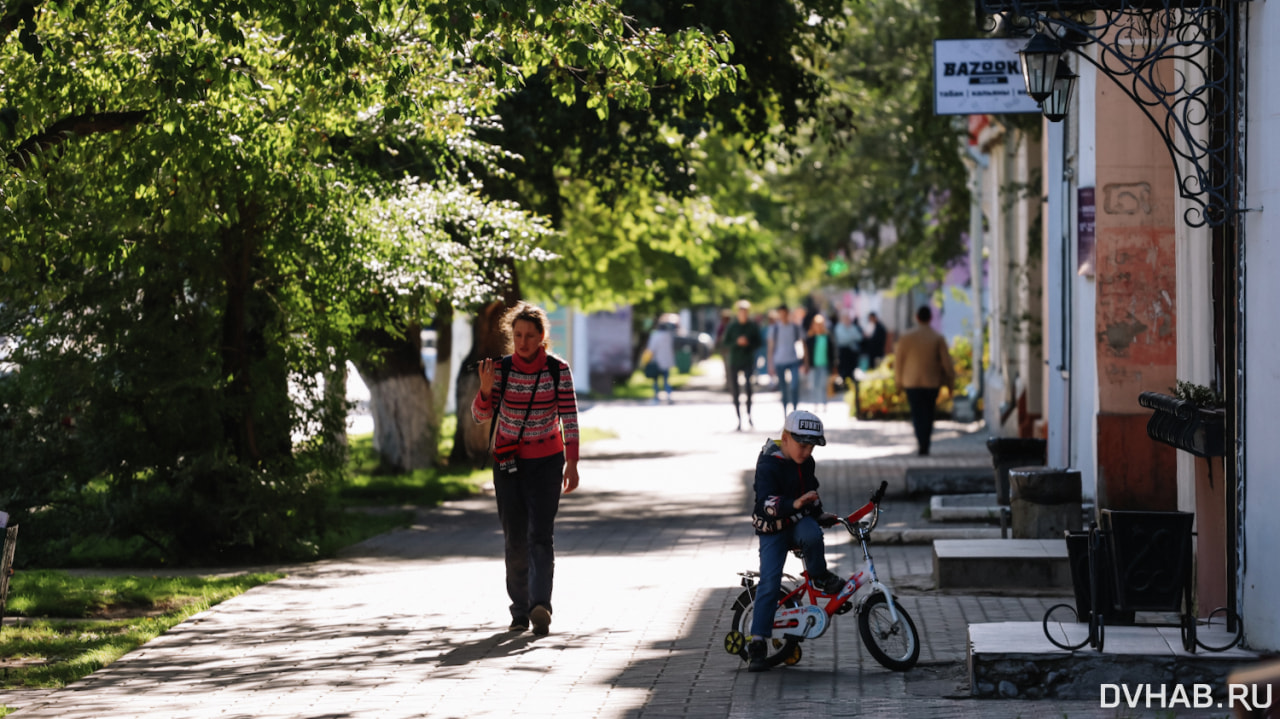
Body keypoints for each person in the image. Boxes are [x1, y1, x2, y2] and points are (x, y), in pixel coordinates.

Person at [472, 302, 581, 636]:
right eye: (518, 335)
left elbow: (570, 419)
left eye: (530, 336)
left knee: (540, 536)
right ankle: (519, 610)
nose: (523, 341)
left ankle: (540, 606)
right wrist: (486, 390)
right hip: (508, 465)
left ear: (542, 337)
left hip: (547, 463)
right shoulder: (500, 370)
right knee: (515, 538)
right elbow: (479, 415)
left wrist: (572, 463)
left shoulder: (557, 370)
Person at [746, 410, 843, 672]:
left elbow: (811, 489)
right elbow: (765, 502)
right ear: (785, 438)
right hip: (773, 526)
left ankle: (819, 574)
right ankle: (757, 640)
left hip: (798, 521)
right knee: (769, 580)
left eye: (811, 446)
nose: (806, 451)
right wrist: (793, 503)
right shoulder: (769, 463)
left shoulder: (806, 462)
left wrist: (818, 511)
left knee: (813, 535)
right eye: (802, 445)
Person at [893, 305, 956, 456]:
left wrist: (898, 382)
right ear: (930, 318)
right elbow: (947, 363)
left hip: (911, 382)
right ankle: (925, 442)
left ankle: (921, 441)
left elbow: (898, 361)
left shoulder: (906, 337)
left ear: (916, 317)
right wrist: (950, 382)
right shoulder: (937, 337)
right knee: (928, 413)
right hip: (931, 382)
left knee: (917, 413)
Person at [720, 299, 763, 431]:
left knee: (749, 388)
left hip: (748, 360)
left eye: (745, 312)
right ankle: (738, 419)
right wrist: (736, 343)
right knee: (735, 390)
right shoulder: (732, 326)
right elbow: (725, 342)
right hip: (734, 361)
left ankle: (749, 416)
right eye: (741, 311)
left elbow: (759, 342)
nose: (743, 314)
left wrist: (748, 343)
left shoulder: (752, 326)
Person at [767, 305, 803, 416]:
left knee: (794, 385)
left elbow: (802, 343)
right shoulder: (775, 328)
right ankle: (785, 412)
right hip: (779, 361)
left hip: (793, 360)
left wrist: (805, 361)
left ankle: (795, 410)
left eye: (784, 313)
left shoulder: (795, 327)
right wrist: (770, 365)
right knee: (783, 388)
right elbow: (770, 347)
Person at [802, 313, 836, 412]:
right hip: (813, 365)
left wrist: (833, 365)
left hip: (824, 364)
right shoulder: (810, 338)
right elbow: (806, 352)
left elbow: (832, 351)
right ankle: (815, 404)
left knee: (823, 385)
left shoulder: (827, 337)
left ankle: (824, 404)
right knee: (814, 385)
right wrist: (805, 364)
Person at [833, 312, 864, 414]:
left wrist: (850, 337)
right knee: (844, 372)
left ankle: (850, 390)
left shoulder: (852, 327)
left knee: (852, 373)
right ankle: (845, 389)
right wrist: (852, 337)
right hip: (844, 354)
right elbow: (843, 339)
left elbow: (859, 337)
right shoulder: (839, 328)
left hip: (852, 355)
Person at [646, 314, 677, 404]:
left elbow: (651, 348)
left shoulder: (655, 335)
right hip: (666, 361)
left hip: (656, 361)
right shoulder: (669, 336)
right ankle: (669, 395)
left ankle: (656, 397)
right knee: (666, 380)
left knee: (655, 381)